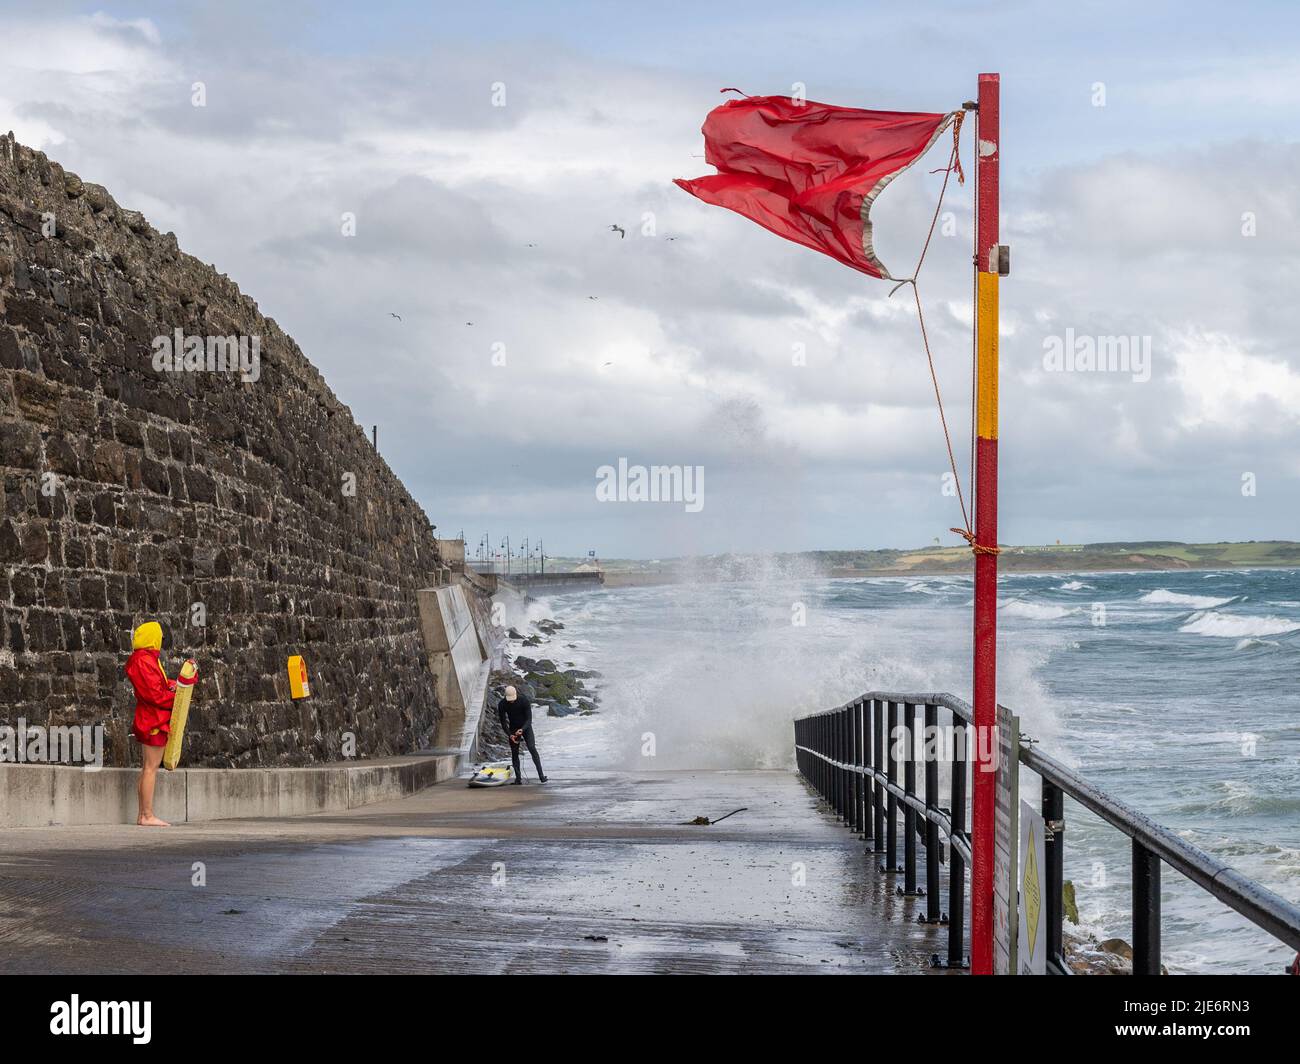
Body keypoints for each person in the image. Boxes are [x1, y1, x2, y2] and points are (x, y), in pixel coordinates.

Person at [124, 621, 191, 827]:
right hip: (154, 719)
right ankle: (147, 815)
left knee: (147, 768)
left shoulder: (143, 659)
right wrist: (179, 698)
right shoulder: (145, 661)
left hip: (149, 717)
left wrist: (174, 687)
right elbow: (155, 694)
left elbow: (157, 687)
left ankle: (143, 814)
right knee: (151, 768)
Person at [497, 685, 547, 784]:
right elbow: (503, 722)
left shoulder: (523, 701)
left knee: (532, 748)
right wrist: (510, 735)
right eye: (509, 699)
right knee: (514, 753)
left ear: (516, 695)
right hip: (513, 728)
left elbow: (529, 719)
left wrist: (522, 730)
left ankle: (541, 776)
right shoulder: (502, 704)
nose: (511, 701)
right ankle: (518, 779)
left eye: (512, 699)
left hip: (526, 727)